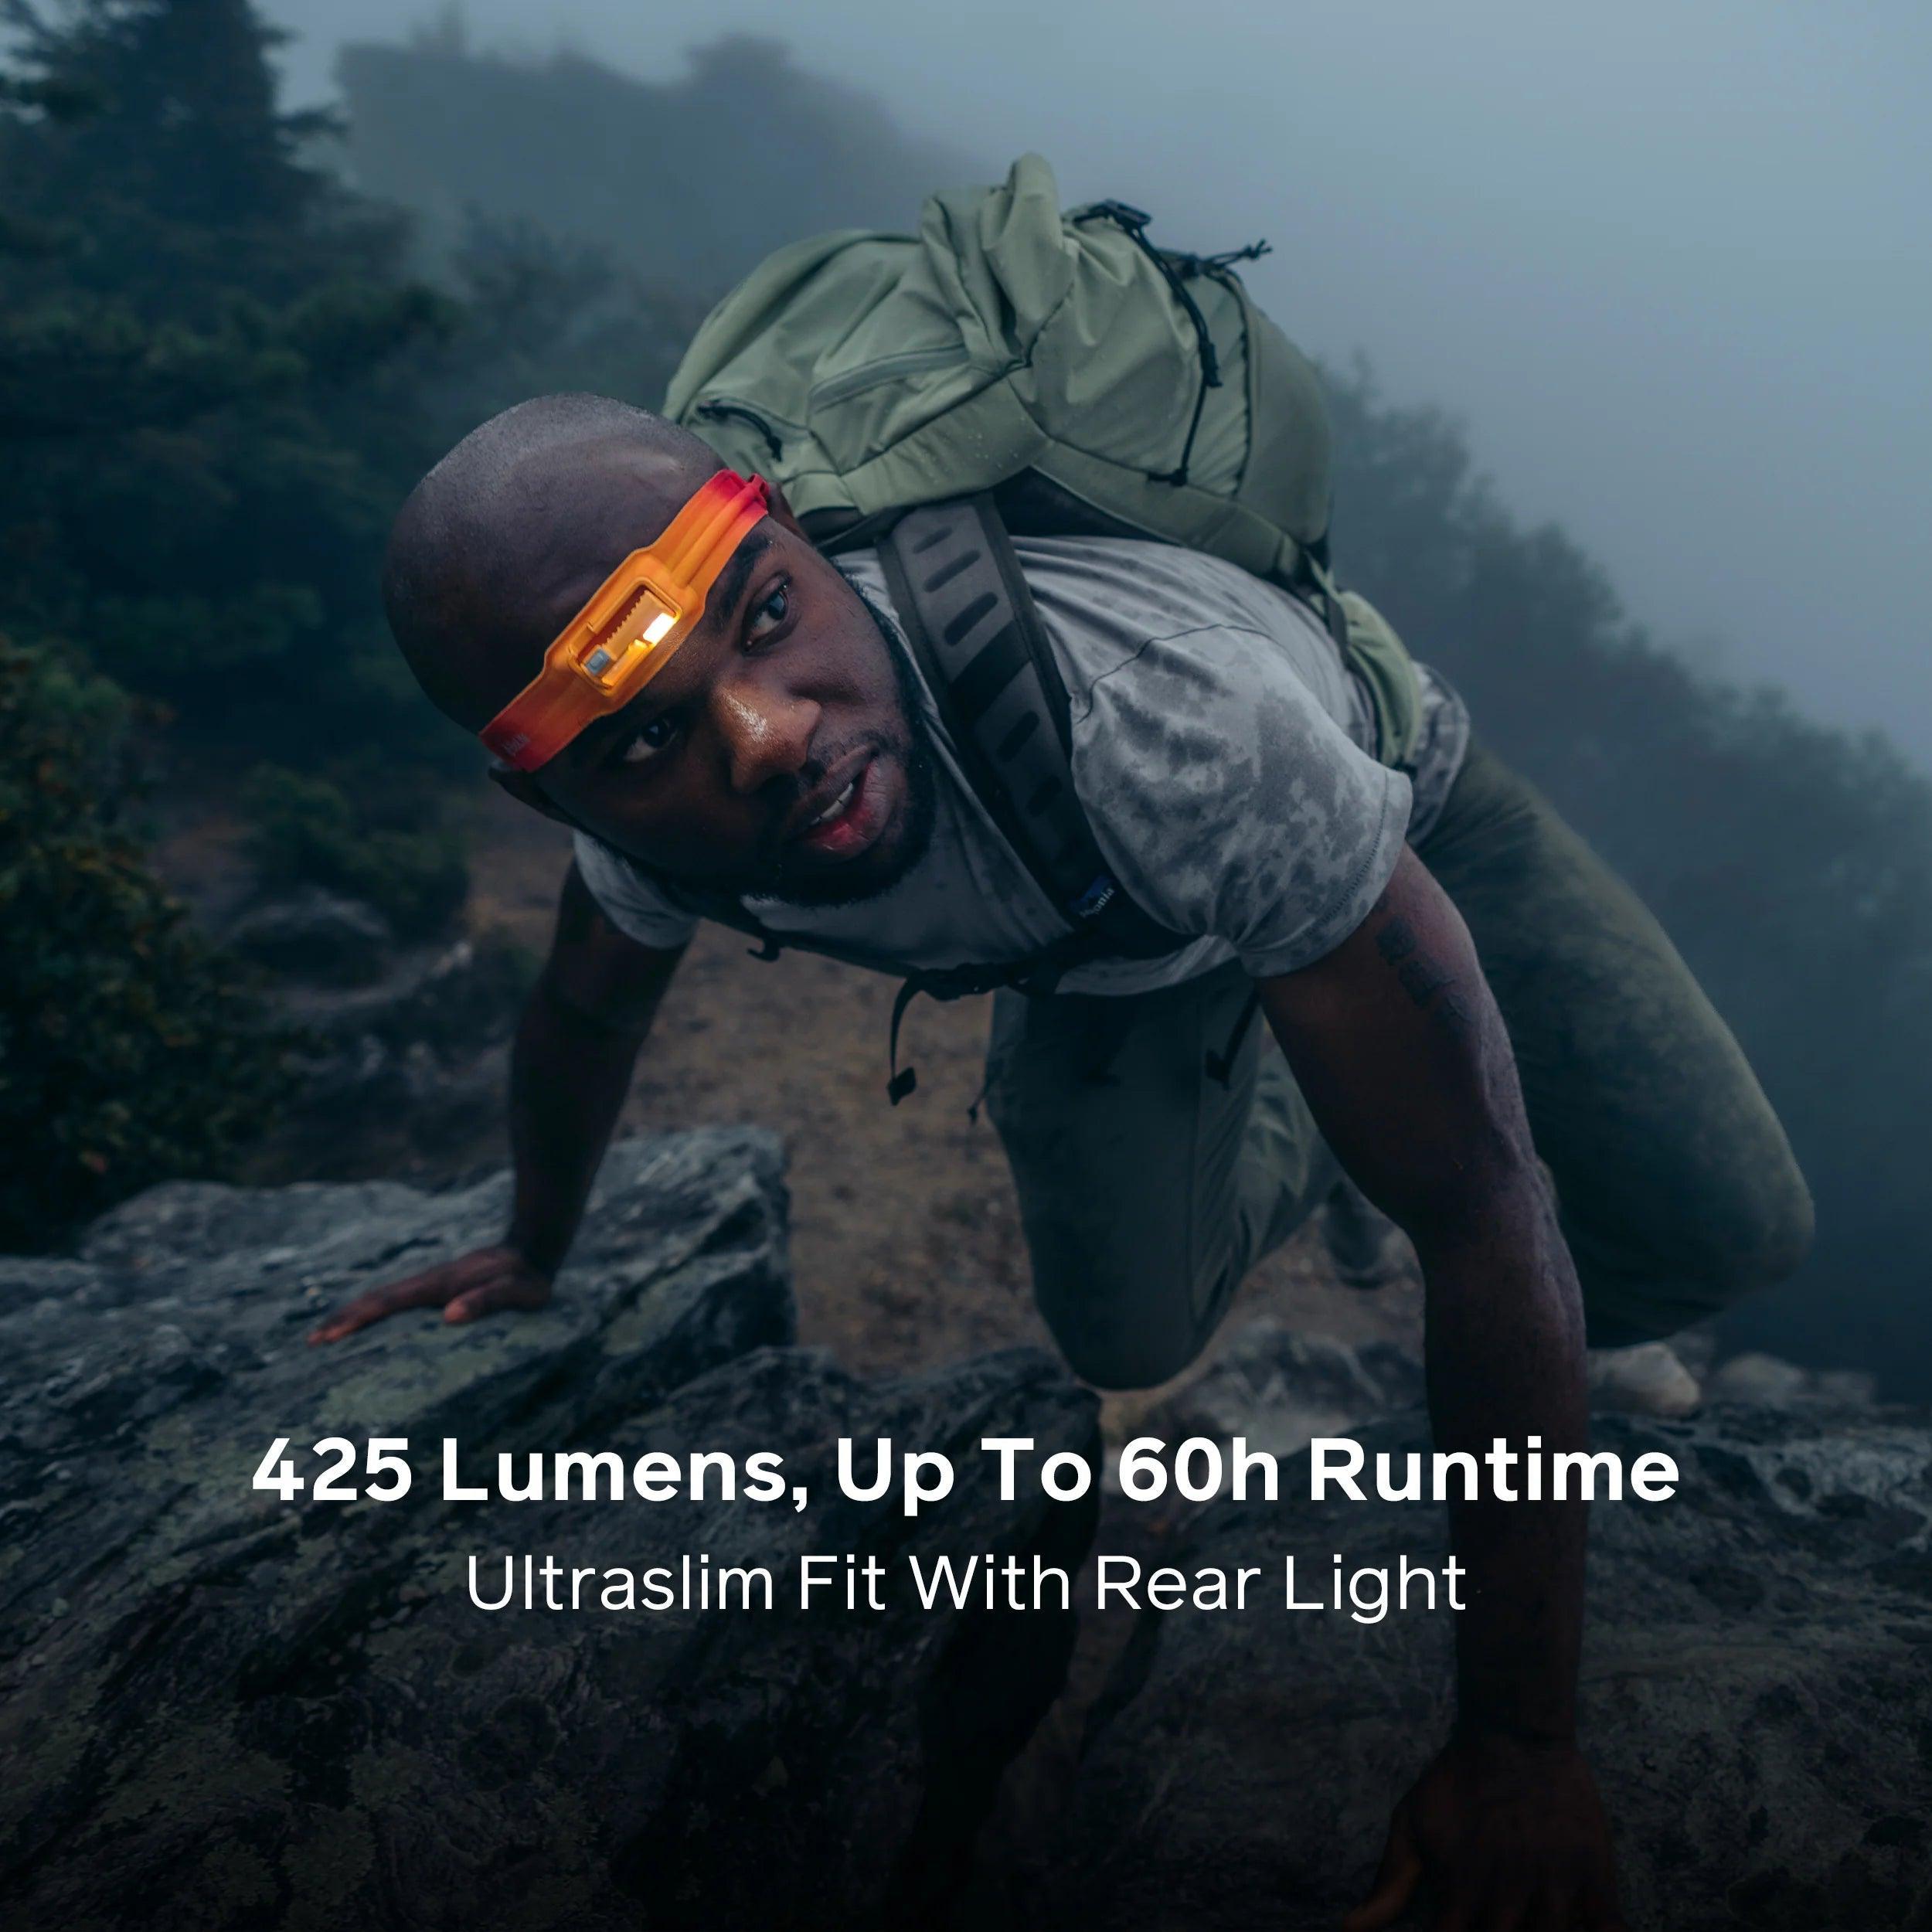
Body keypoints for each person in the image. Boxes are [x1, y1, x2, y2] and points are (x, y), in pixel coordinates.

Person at [312, 393, 1812, 1930]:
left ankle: (1359, 1059)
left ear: (803, 544)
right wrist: (533, 1250)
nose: (766, 735)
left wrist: (1517, 1740)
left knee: (1725, 1222)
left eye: (766, 615)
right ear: (547, 792)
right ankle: (1331, 1096)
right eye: (642, 733)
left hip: (1360, 808)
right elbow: (579, 1006)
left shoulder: (1184, 726)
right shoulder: (634, 824)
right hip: (1114, 938)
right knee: (1127, 1331)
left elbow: (1484, 1212)